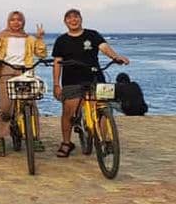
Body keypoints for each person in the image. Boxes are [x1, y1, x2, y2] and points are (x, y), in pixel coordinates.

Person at [51, 8, 129, 158]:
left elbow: (104, 48)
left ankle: (106, 141)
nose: (73, 20)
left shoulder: (92, 35)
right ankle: (66, 143)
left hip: (95, 77)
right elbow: (57, 62)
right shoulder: (61, 40)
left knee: (104, 108)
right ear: (65, 22)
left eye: (76, 17)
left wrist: (116, 57)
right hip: (71, 80)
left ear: (81, 19)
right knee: (68, 112)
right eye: (69, 18)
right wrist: (56, 84)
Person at [0, 10, 47, 156]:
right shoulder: (2, 36)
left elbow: (41, 54)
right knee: (5, 106)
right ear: (8, 21)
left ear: (23, 22)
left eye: (19, 20)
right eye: (12, 20)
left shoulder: (30, 39)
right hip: (6, 70)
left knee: (31, 105)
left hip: (25, 71)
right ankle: (0, 138)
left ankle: (34, 137)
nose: (16, 22)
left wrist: (39, 38)